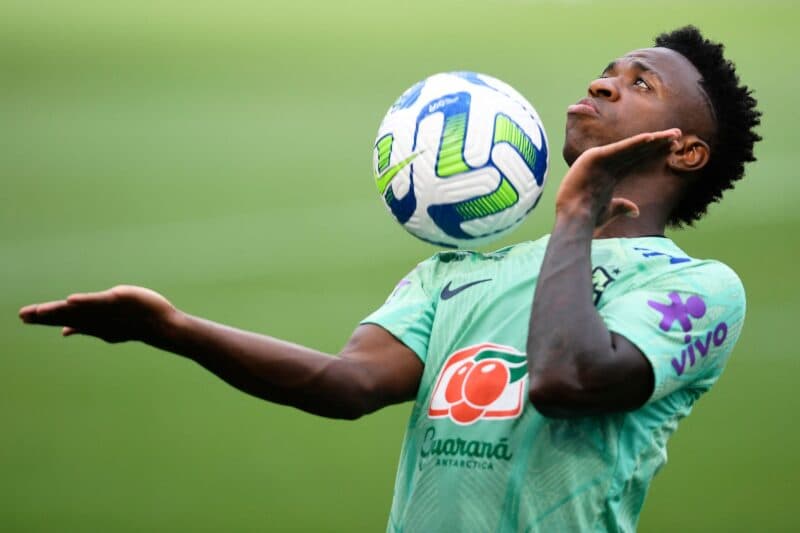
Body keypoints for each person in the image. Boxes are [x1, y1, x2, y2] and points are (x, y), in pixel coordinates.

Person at [19, 25, 760, 532]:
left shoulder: (698, 289)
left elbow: (568, 380)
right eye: (604, 71)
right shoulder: (463, 271)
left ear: (686, 152)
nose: (602, 84)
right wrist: (171, 329)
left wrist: (575, 215)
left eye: (639, 83)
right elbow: (347, 384)